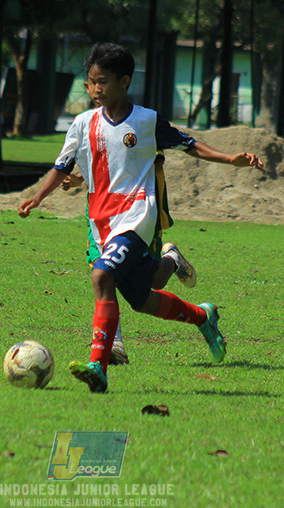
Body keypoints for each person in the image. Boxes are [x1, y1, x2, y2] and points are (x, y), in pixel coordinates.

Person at [19, 42, 264, 393]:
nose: (95, 89)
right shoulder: (82, 124)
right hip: (100, 221)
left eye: (102, 81)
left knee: (102, 275)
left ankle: (98, 364)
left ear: (124, 81)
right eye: (90, 82)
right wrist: (38, 197)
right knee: (144, 297)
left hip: (137, 216)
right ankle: (202, 315)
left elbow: (189, 143)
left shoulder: (146, 121)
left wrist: (229, 159)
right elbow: (62, 167)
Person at [63, 152, 194, 366]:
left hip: (136, 210)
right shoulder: (95, 122)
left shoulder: (141, 120)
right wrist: (82, 177)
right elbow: (100, 160)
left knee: (156, 280)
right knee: (104, 271)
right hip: (99, 210)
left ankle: (172, 259)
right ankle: (115, 345)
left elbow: (156, 159)